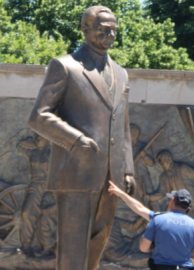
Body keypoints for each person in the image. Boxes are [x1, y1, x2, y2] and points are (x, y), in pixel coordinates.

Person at [28, 6, 135, 270]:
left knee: (98, 243)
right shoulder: (64, 67)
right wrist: (76, 140)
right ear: (85, 29)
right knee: (73, 249)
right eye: (102, 28)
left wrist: (128, 170)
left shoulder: (121, 73)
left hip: (112, 176)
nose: (109, 34)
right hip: (75, 173)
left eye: (113, 29)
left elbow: (123, 126)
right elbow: (39, 116)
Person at [109, 181, 194, 270]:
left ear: (173, 201)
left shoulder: (158, 219)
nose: (168, 202)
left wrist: (121, 193)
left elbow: (143, 247)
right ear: (188, 207)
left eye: (169, 199)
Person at [17, 134, 50, 254]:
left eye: (40, 137)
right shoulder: (33, 153)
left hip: (48, 187)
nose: (38, 139)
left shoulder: (53, 153)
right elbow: (18, 147)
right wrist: (30, 142)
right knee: (26, 212)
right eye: (36, 137)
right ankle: (26, 244)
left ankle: (47, 246)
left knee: (46, 215)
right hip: (34, 185)